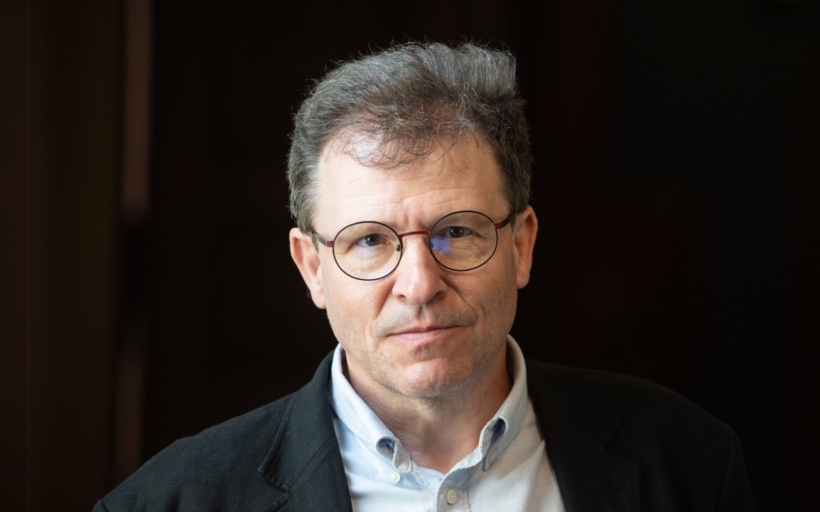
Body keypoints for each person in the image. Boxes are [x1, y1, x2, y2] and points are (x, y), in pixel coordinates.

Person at [94, 42, 754, 512]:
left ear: (521, 245)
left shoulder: (689, 463)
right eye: (370, 240)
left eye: (457, 232)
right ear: (312, 267)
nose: (419, 284)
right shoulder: (171, 501)